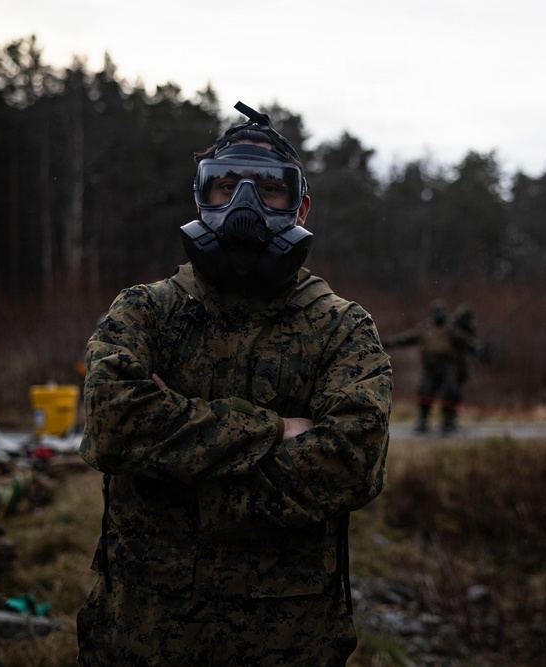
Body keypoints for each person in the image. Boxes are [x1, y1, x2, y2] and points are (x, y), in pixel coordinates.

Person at [76, 101, 393, 667]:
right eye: (224, 186)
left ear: (300, 203)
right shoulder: (147, 311)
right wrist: (277, 432)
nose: (244, 203)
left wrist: (174, 470)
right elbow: (112, 423)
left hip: (290, 645)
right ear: (200, 197)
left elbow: (353, 462)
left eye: (269, 188)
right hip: (140, 637)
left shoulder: (341, 326)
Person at [384, 299, 464, 434]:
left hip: (447, 365)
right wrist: (390, 343)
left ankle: (449, 421)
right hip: (430, 366)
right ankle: (422, 420)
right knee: (425, 391)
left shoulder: (451, 329)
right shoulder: (425, 327)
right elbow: (407, 338)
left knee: (450, 391)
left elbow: (465, 341)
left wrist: (478, 348)